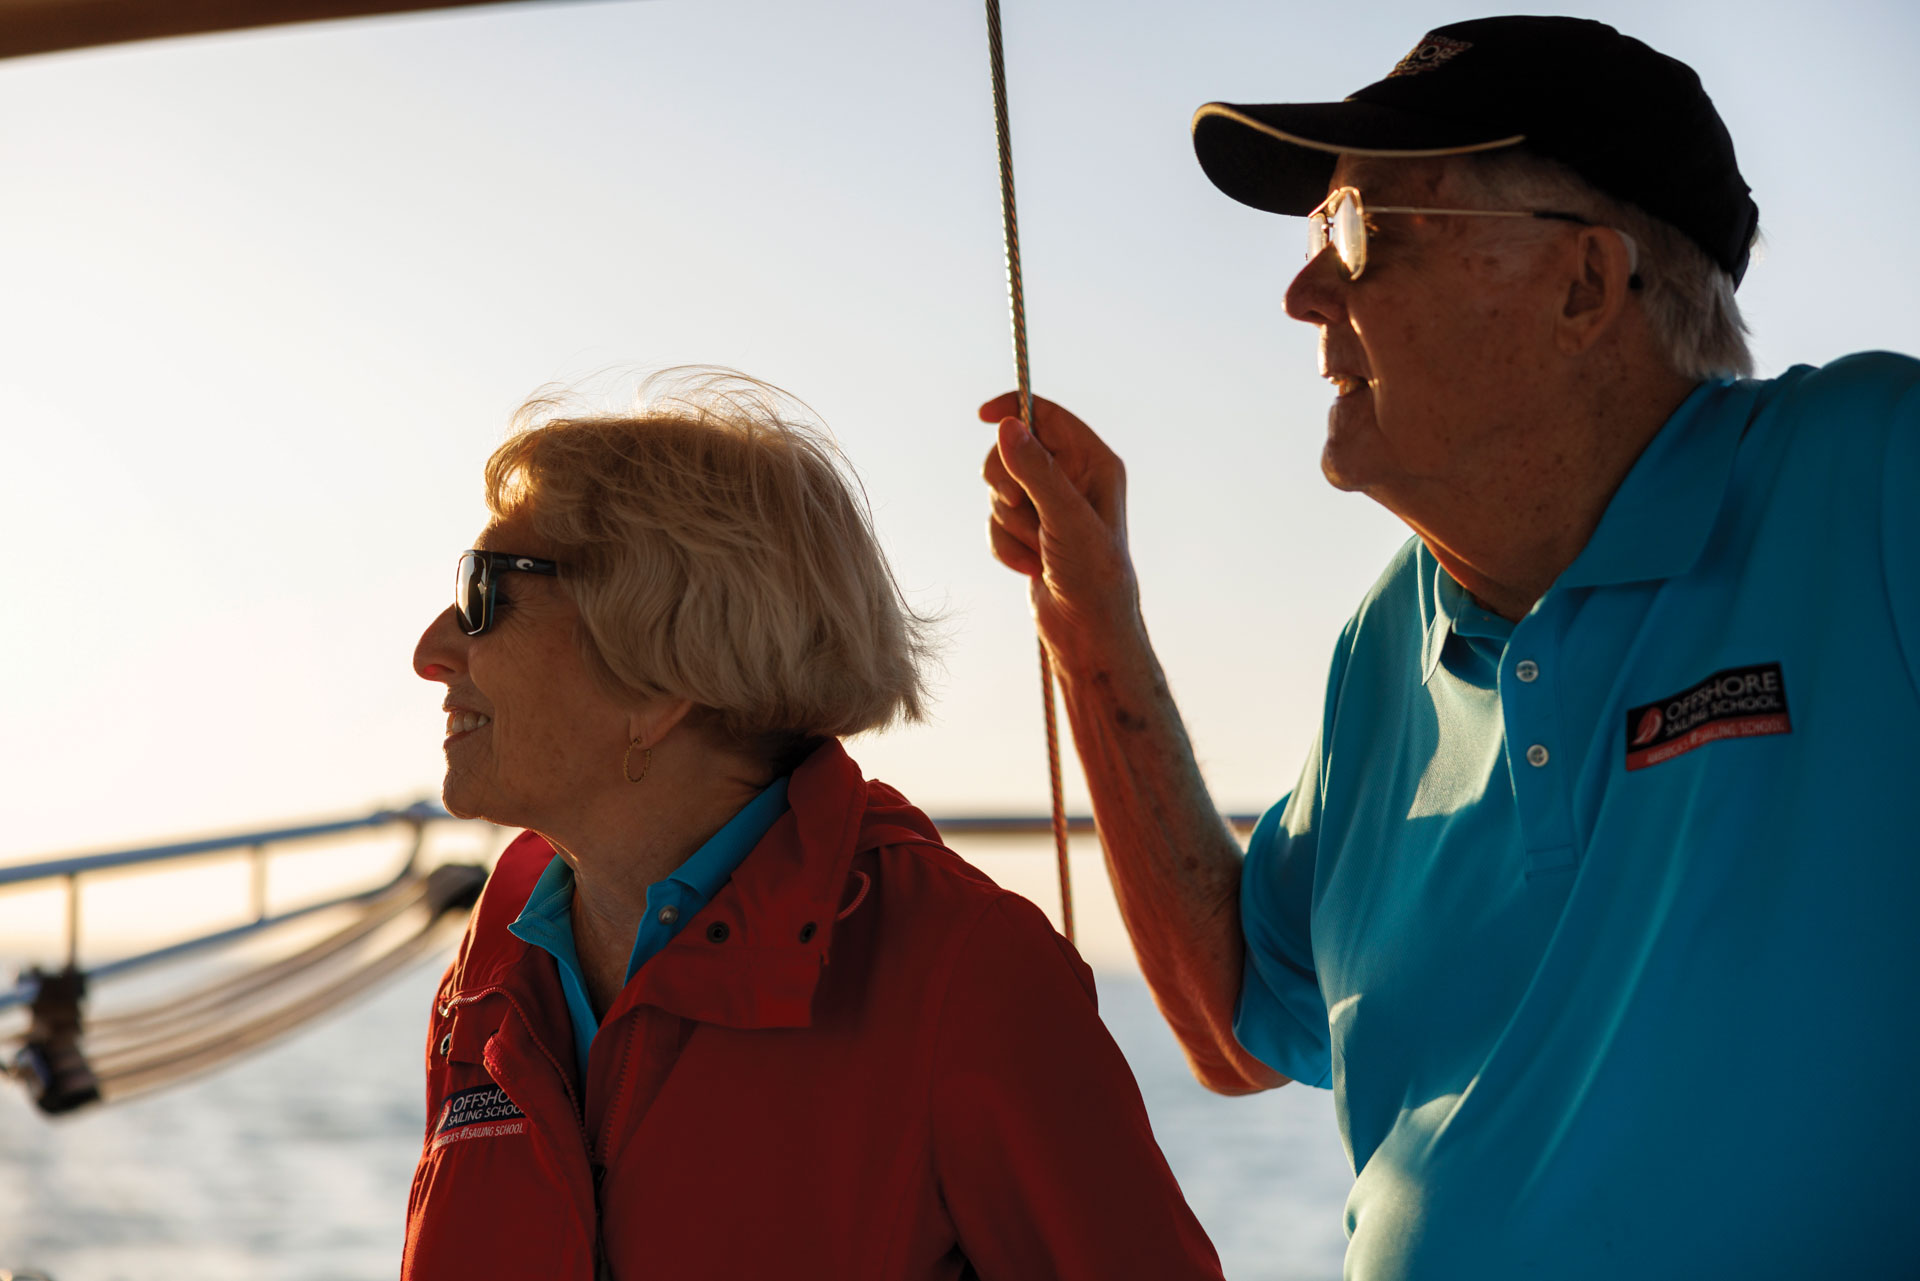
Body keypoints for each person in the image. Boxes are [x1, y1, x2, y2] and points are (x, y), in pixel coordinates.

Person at [979, 15, 1920, 1279]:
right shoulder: (1383, 645)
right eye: (1319, 237)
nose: (1305, 290)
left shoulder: (1868, 475)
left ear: (1586, 284)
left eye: (1364, 232)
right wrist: (1093, 626)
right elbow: (1238, 1025)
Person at [405, 371, 1222, 1280]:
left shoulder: (965, 977)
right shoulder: (485, 988)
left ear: (658, 669)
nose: (431, 651)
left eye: (485, 591)